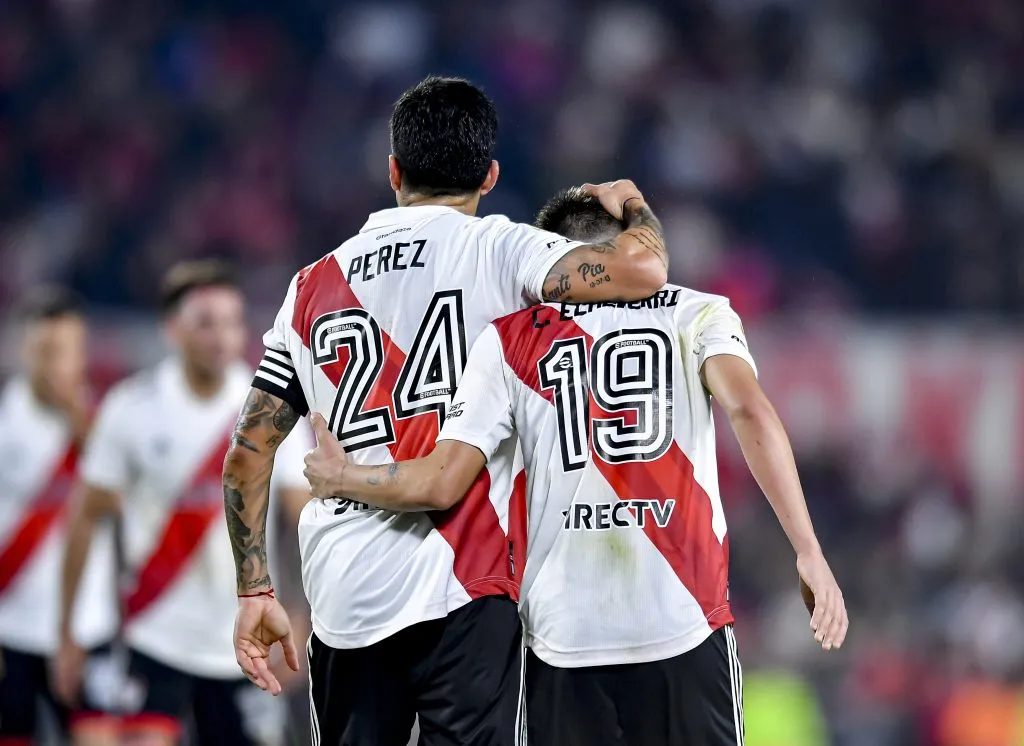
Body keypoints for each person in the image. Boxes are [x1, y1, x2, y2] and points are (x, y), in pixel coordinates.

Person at [302, 188, 849, 746]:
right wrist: (807, 549)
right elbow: (750, 411)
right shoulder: (698, 311)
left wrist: (343, 477)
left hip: (563, 641)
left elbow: (440, 482)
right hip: (684, 621)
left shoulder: (509, 339)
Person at [223, 76, 670, 746]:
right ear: (489, 176)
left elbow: (248, 455)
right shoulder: (501, 248)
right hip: (467, 580)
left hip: (345, 593)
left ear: (393, 170)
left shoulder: (312, 285)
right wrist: (631, 203)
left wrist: (255, 591)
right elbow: (642, 272)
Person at [56, 261, 311, 746]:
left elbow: (302, 521)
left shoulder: (270, 411)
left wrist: (303, 614)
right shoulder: (131, 407)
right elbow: (85, 519)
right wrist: (69, 631)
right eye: (205, 323)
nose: (221, 336)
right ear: (172, 329)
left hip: (245, 643)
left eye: (232, 322)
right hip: (154, 636)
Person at [0, 289, 120, 746]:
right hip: (11, 631)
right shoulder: (3, 422)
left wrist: (84, 429)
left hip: (89, 629)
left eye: (66, 353)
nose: (55, 366)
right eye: (44, 352)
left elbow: (125, 511)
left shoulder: (108, 422)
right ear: (24, 352)